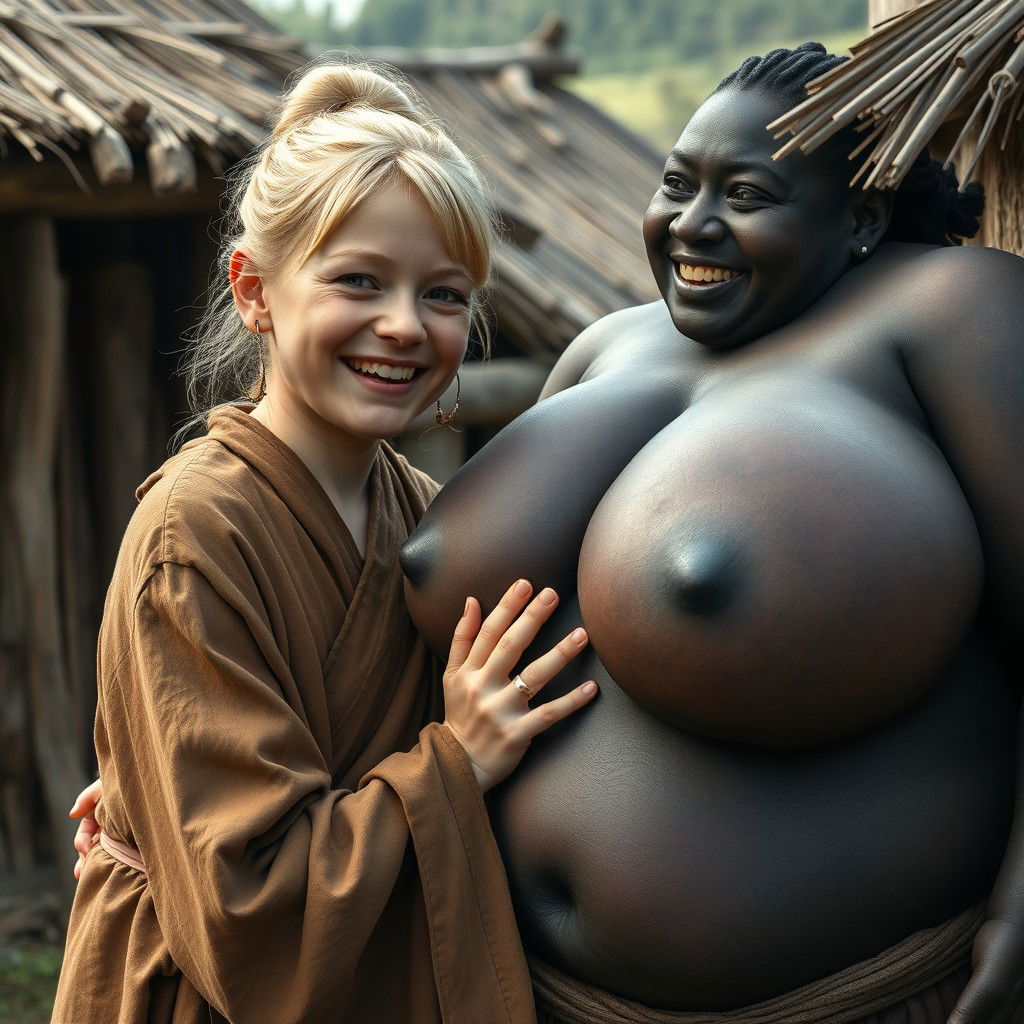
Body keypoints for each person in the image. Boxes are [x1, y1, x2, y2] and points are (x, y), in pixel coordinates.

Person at [399, 43, 1024, 1024]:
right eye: (677, 182)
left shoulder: (951, 310)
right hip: (511, 988)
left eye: (746, 193)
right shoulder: (606, 345)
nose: (693, 223)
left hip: (845, 998)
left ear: (857, 220)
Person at [53, 62, 598, 1024]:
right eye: (358, 281)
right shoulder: (196, 533)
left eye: (444, 294)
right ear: (255, 290)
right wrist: (453, 765)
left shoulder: (431, 512)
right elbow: (244, 908)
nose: (403, 326)